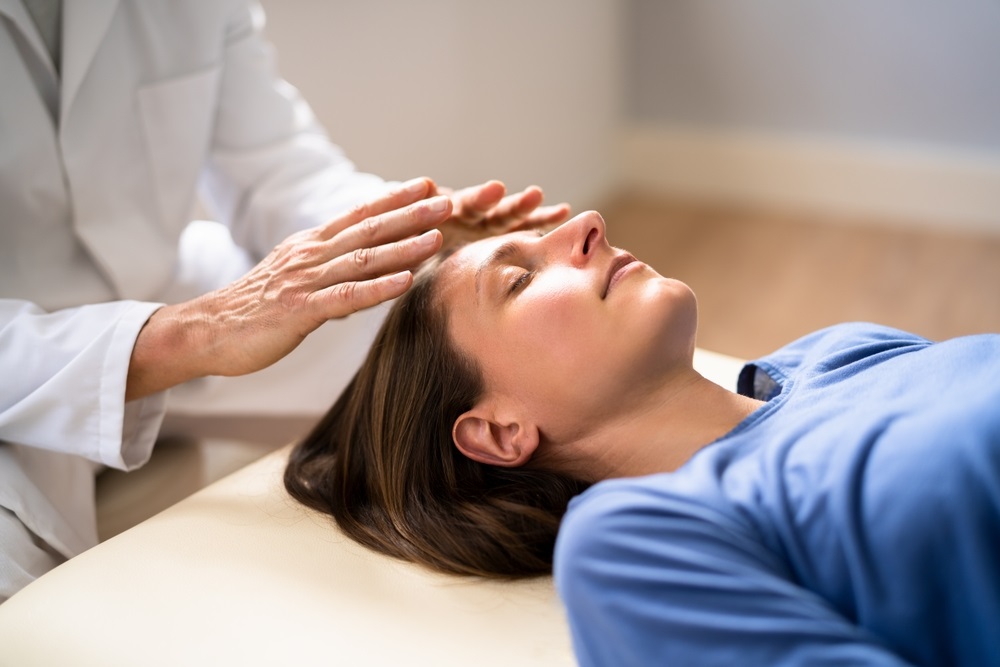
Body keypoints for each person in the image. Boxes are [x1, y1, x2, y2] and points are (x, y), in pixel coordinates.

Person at [0, 0, 569, 601]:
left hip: (159, 286)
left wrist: (412, 230)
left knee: (427, 321)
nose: (583, 238)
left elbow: (281, 173)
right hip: (20, 365)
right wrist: (194, 334)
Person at [285, 210, 1000, 666]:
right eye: (522, 279)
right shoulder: (632, 539)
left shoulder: (840, 350)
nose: (589, 223)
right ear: (501, 431)